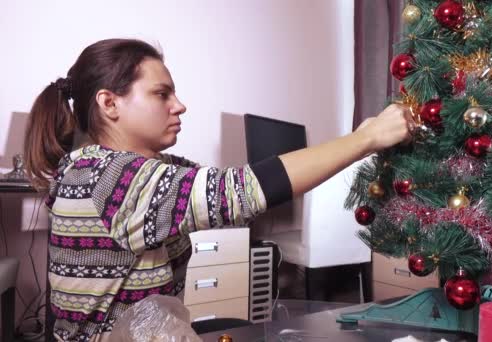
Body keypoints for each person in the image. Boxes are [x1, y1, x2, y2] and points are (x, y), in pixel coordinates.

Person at [23, 38, 414, 342]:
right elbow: (238, 190)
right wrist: (368, 138)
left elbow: (229, 188)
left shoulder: (138, 169)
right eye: (162, 94)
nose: (180, 106)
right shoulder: (107, 174)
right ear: (109, 103)